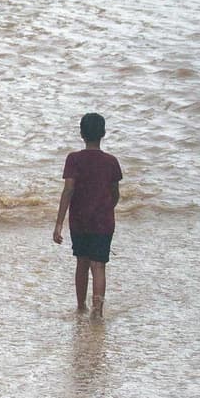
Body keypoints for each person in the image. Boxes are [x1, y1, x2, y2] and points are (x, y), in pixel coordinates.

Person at [53, 112, 122, 315]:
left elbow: (68, 190)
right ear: (103, 133)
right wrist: (106, 209)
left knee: (82, 263)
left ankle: (81, 306)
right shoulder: (111, 161)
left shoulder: (74, 159)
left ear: (81, 133)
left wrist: (58, 223)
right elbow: (115, 193)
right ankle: (97, 310)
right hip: (103, 221)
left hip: (80, 220)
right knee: (98, 266)